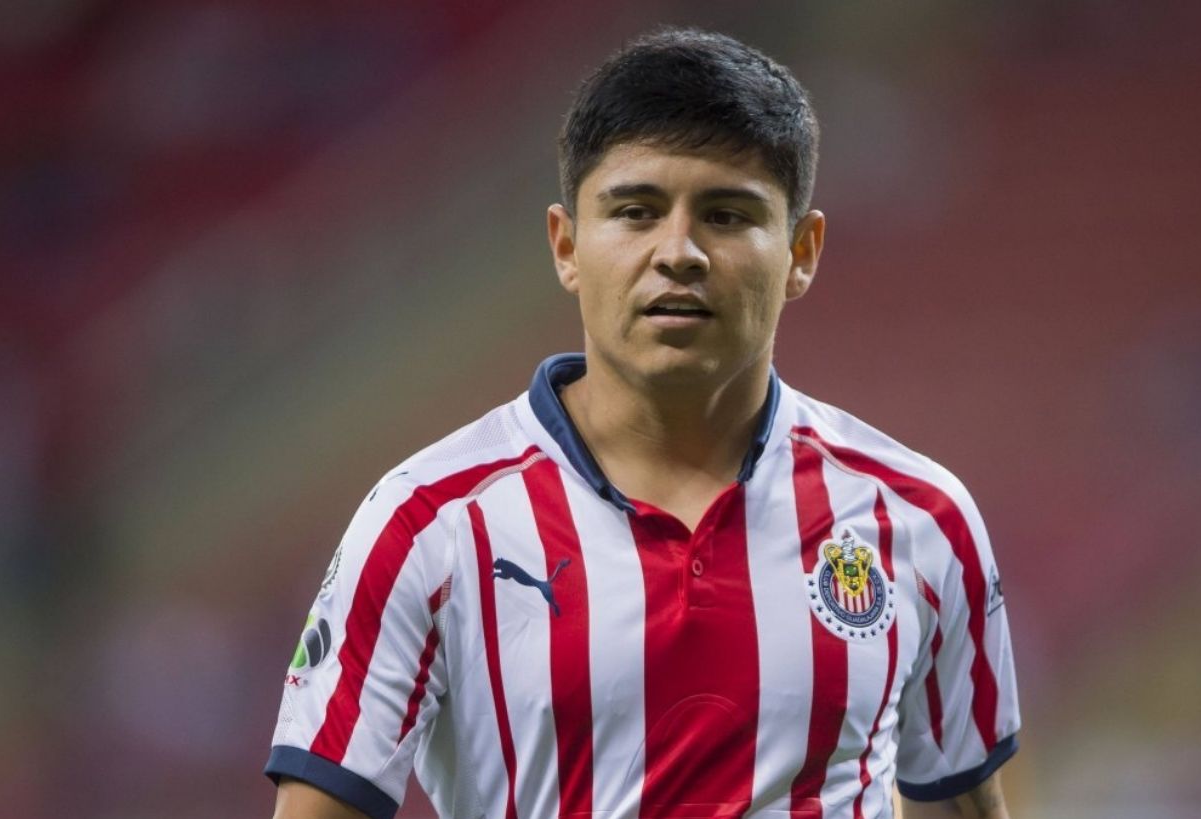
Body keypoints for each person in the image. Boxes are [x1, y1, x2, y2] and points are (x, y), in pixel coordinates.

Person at [266, 27, 1020, 819]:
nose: (679, 252)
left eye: (727, 215)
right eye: (636, 212)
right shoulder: (429, 523)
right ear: (566, 246)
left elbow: (961, 805)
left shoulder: (921, 518)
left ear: (802, 251)